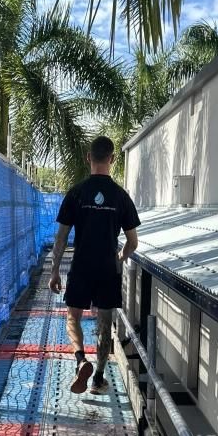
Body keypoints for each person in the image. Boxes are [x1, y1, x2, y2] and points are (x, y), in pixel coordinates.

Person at [49, 135, 141, 394]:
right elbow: (133, 242)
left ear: (89, 158)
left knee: (73, 317)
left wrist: (55, 270)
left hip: (82, 265)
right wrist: (120, 257)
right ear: (112, 159)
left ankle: (81, 360)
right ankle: (98, 378)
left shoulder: (76, 193)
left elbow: (62, 236)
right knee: (104, 322)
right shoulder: (121, 197)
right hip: (107, 267)